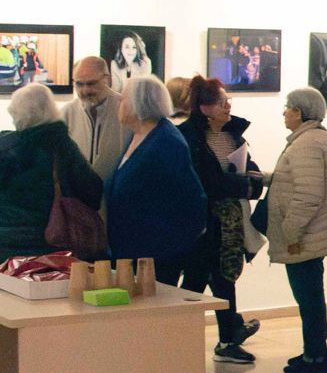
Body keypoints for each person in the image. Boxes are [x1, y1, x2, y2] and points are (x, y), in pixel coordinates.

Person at [175, 77, 265, 363]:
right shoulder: (188, 138)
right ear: (205, 108)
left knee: (224, 278)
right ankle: (179, 339)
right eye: (222, 102)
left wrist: (250, 182)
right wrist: (243, 185)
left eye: (228, 101)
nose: (228, 106)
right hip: (201, 224)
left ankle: (227, 339)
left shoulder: (232, 134)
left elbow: (249, 168)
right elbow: (206, 182)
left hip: (229, 225)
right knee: (196, 281)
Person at [266, 88, 327, 373]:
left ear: (299, 112)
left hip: (305, 237)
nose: (284, 113)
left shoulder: (307, 143)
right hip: (312, 234)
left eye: (287, 108)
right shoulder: (315, 139)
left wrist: (290, 233)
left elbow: (308, 196)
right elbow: (302, 182)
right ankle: (316, 350)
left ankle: (315, 355)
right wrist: (268, 179)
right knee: (311, 295)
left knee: (308, 298)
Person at [104, 76, 205, 266]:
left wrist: (172, 244)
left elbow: (191, 197)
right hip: (129, 246)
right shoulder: (137, 135)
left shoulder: (166, 140)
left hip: (155, 252)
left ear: (139, 103)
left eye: (123, 98)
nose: (119, 103)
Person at [0, 84, 102, 262]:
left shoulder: (5, 146)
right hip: (50, 241)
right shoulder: (61, 147)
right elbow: (92, 192)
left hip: (5, 242)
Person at [63, 56, 128, 186]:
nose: (85, 90)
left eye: (91, 83)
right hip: (77, 193)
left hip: (116, 191)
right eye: (79, 84)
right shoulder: (66, 113)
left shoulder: (126, 110)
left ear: (107, 80)